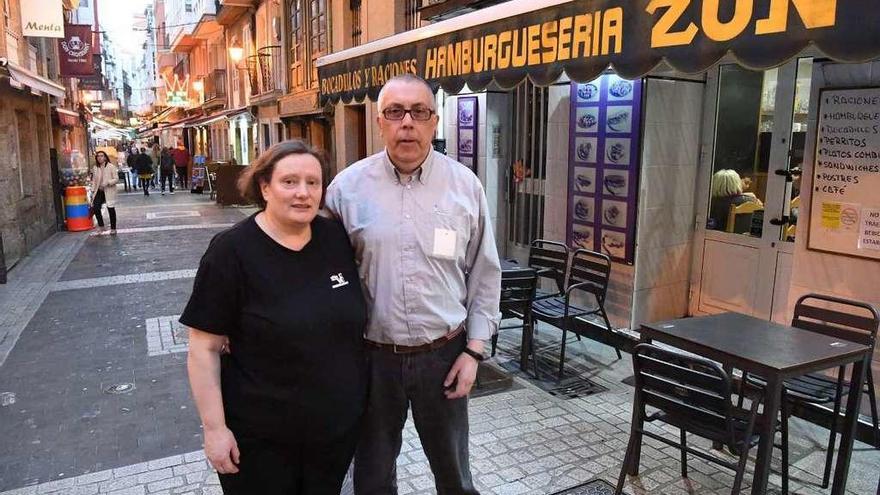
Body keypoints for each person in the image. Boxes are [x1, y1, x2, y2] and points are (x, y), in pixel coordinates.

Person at [325, 74, 502, 495]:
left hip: (444, 357)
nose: (408, 122)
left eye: (419, 112)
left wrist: (475, 352)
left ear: (434, 121)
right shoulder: (346, 190)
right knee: (371, 477)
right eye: (395, 112)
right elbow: (317, 274)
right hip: (372, 361)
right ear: (380, 121)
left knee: (455, 477)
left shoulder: (465, 187)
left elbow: (484, 273)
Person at [181, 140, 367, 494]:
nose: (303, 193)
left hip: (332, 435)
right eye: (289, 182)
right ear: (264, 187)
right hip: (260, 441)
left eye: (313, 183)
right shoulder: (231, 252)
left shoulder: (334, 239)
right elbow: (203, 349)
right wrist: (215, 430)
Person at [91, 151, 119, 233]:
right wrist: (93, 191)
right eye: (98, 156)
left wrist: (107, 183)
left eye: (101, 156)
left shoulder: (111, 167)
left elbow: (116, 179)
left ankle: (113, 228)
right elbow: (94, 181)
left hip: (109, 190)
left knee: (110, 208)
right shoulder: (95, 167)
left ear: (105, 157)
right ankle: (101, 226)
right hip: (98, 191)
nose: (99, 157)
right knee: (95, 207)